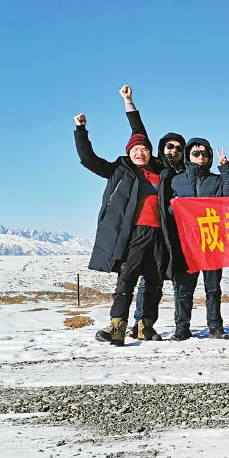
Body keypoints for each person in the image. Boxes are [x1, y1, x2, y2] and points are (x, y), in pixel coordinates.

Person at [73, 114, 168, 346]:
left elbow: (141, 132)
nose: (140, 153)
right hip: (134, 234)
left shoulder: (160, 171)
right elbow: (88, 159)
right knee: (126, 281)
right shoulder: (120, 169)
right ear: (128, 152)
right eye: (135, 149)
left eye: (144, 149)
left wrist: (130, 105)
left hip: (159, 235)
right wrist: (81, 129)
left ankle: (145, 326)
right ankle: (117, 327)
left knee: (155, 283)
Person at [119, 85, 186, 340]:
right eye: (168, 146)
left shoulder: (185, 172)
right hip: (149, 230)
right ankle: (136, 323)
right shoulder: (155, 165)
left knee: (156, 280)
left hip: (171, 233)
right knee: (142, 280)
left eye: (178, 147)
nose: (173, 151)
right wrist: (129, 102)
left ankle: (147, 324)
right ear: (161, 148)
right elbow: (139, 133)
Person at [167, 139, 229, 340]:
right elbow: (167, 209)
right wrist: (175, 207)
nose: (200, 157)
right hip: (186, 243)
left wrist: (226, 170)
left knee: (213, 289)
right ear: (188, 155)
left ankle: (215, 327)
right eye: (196, 153)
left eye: (205, 154)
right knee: (184, 289)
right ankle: (182, 327)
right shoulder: (177, 181)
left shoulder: (216, 180)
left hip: (211, 240)